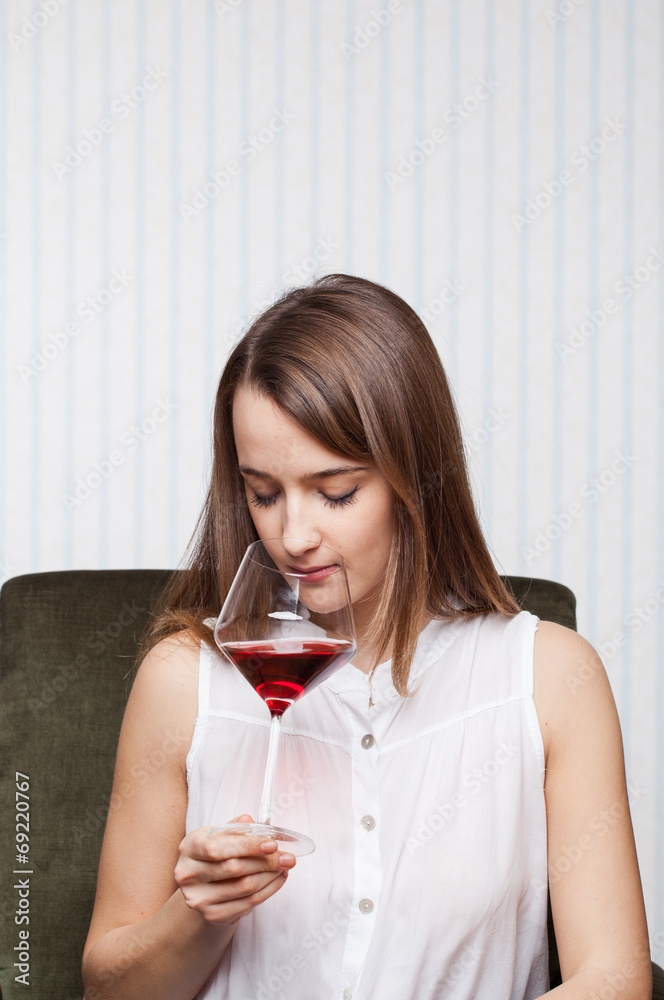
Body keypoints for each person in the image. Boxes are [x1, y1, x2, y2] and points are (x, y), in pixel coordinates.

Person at [82, 273, 651, 1000]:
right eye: (263, 492)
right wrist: (200, 913)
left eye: (336, 492)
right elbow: (108, 989)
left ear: (412, 476)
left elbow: (615, 980)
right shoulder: (183, 679)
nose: (292, 535)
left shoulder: (548, 678)